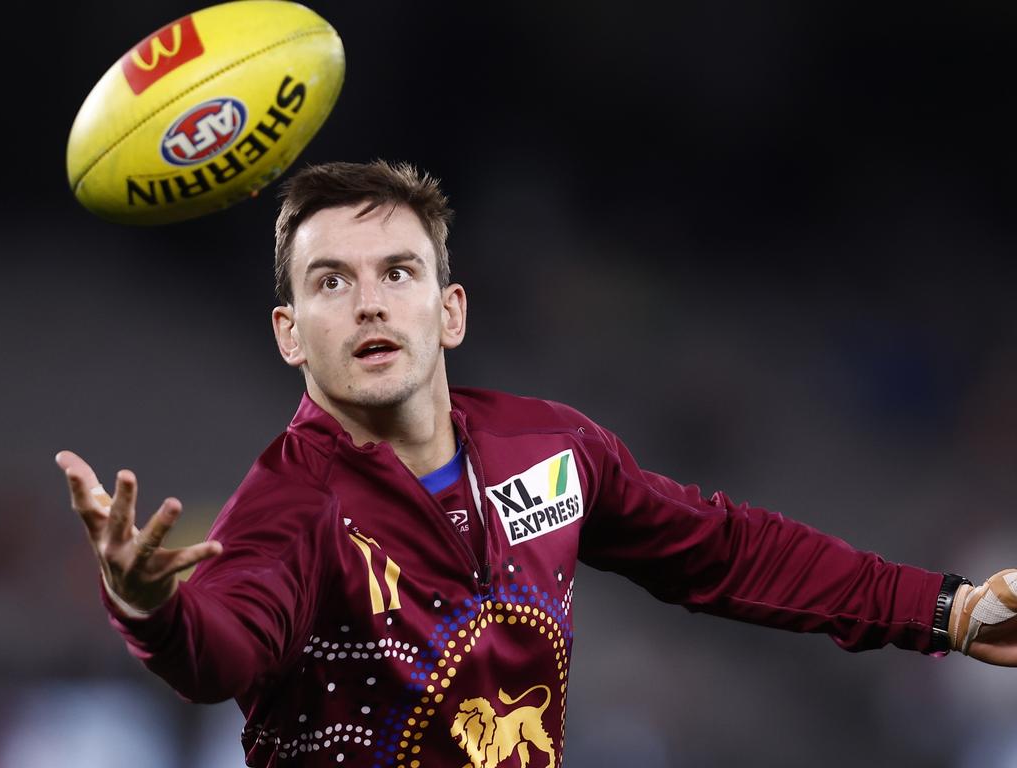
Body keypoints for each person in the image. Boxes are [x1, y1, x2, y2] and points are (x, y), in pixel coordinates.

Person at [56, 160, 1017, 768]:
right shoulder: (291, 502)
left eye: (398, 273)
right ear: (289, 336)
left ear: (453, 310)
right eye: (329, 283)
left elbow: (726, 552)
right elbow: (226, 650)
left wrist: (948, 611)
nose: (369, 305)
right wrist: (152, 610)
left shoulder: (550, 447)